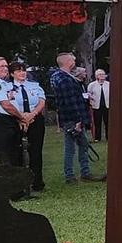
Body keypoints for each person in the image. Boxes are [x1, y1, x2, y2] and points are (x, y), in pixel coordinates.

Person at [49, 52, 95, 184]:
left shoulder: (58, 77)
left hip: (69, 117)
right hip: (72, 119)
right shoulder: (65, 79)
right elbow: (71, 102)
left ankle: (82, 172)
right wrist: (78, 121)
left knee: (81, 145)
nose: (74, 62)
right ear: (68, 62)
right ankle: (72, 175)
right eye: (73, 60)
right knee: (72, 147)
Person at [9, 63, 47, 194]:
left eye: (23, 70)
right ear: (12, 74)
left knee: (36, 151)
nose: (22, 73)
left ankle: (37, 182)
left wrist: (32, 114)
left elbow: (41, 101)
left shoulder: (34, 85)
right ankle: (20, 185)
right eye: (18, 71)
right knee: (18, 152)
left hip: (35, 120)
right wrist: (21, 118)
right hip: (17, 121)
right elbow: (9, 103)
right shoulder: (8, 87)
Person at [87, 68, 109, 141]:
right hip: (96, 106)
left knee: (107, 122)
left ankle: (108, 137)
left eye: (103, 74)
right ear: (97, 76)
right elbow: (88, 94)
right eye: (100, 74)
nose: (102, 76)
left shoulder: (109, 84)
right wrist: (90, 98)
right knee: (97, 122)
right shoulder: (92, 85)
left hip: (107, 106)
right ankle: (97, 138)